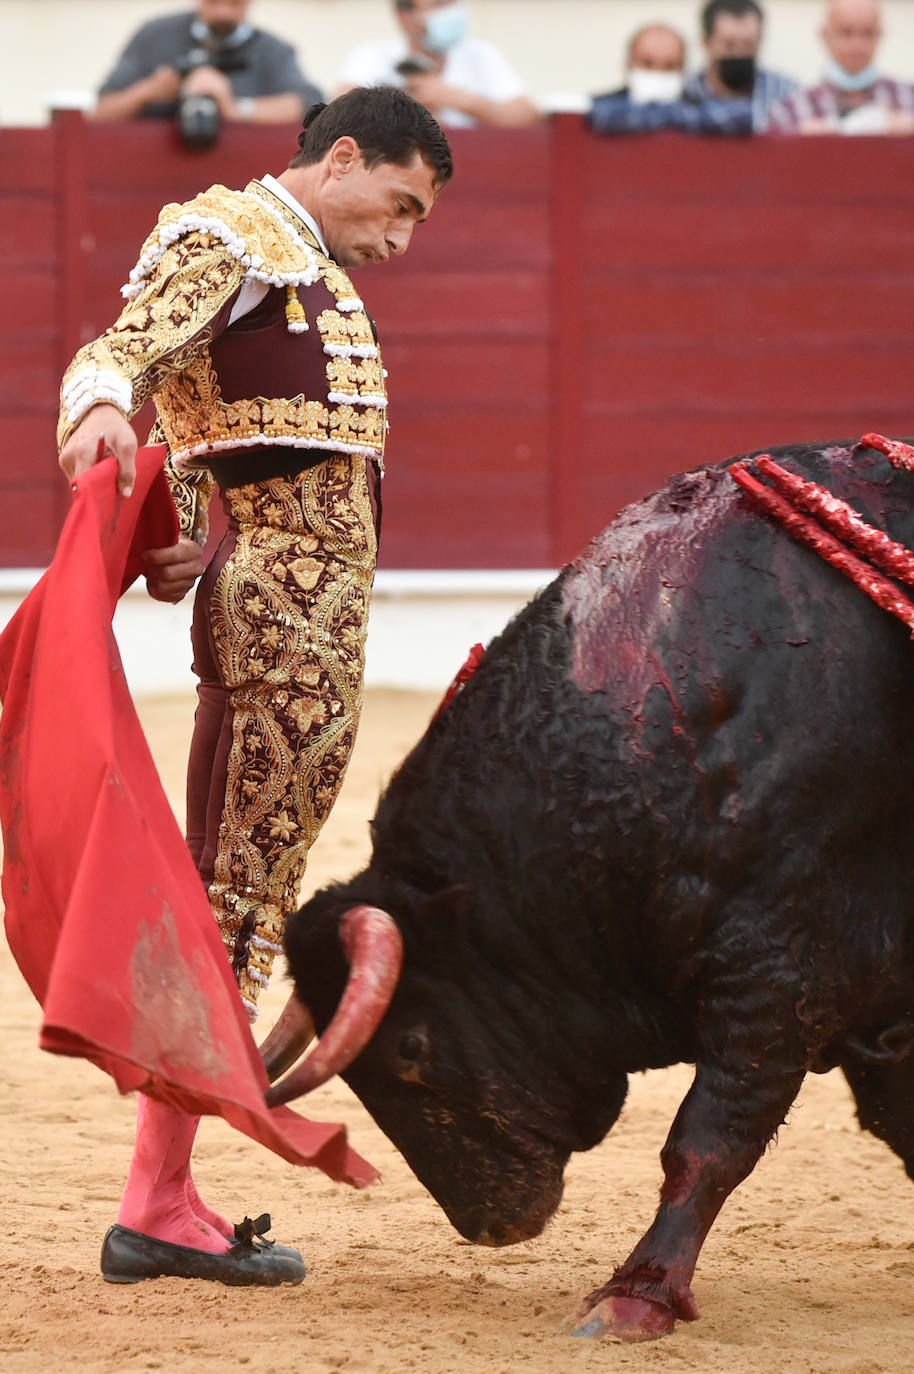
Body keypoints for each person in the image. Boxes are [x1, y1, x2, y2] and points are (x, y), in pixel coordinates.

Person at [56, 86, 453, 1286]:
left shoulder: (291, 261)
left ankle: (163, 1190)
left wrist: (180, 527)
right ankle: (158, 1199)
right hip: (283, 614)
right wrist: (94, 417)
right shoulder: (228, 236)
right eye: (398, 204)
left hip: (296, 618)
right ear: (339, 160)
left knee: (239, 894)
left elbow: (202, 418)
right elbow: (125, 356)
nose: (399, 237)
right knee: (233, 900)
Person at [94, 0, 322, 127]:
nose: (223, 9)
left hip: (239, 183)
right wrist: (148, 91)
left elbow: (309, 107)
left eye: (233, 3)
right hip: (156, 177)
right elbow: (102, 111)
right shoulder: (155, 37)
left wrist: (234, 108)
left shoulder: (272, 51)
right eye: (215, 2)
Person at [335, 0, 539, 128]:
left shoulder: (481, 55)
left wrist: (459, 100)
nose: (452, 11)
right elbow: (340, 108)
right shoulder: (372, 56)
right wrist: (405, 107)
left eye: (454, 3)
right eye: (440, 4)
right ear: (406, 16)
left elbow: (527, 115)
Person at [767, 0, 914, 134]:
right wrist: (799, 140)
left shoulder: (908, 100)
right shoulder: (790, 113)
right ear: (825, 36)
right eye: (846, 33)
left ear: (879, 35)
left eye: (867, 33)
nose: (857, 45)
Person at [589, 21, 755, 136]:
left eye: (670, 65)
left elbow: (741, 116)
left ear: (684, 70)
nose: (658, 72)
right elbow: (599, 115)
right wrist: (671, 115)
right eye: (647, 63)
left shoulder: (698, 103)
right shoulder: (601, 105)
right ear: (628, 65)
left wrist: (662, 113)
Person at [682, 0, 799, 132]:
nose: (739, 53)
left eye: (748, 44)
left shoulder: (785, 93)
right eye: (729, 45)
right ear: (705, 42)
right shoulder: (685, 93)